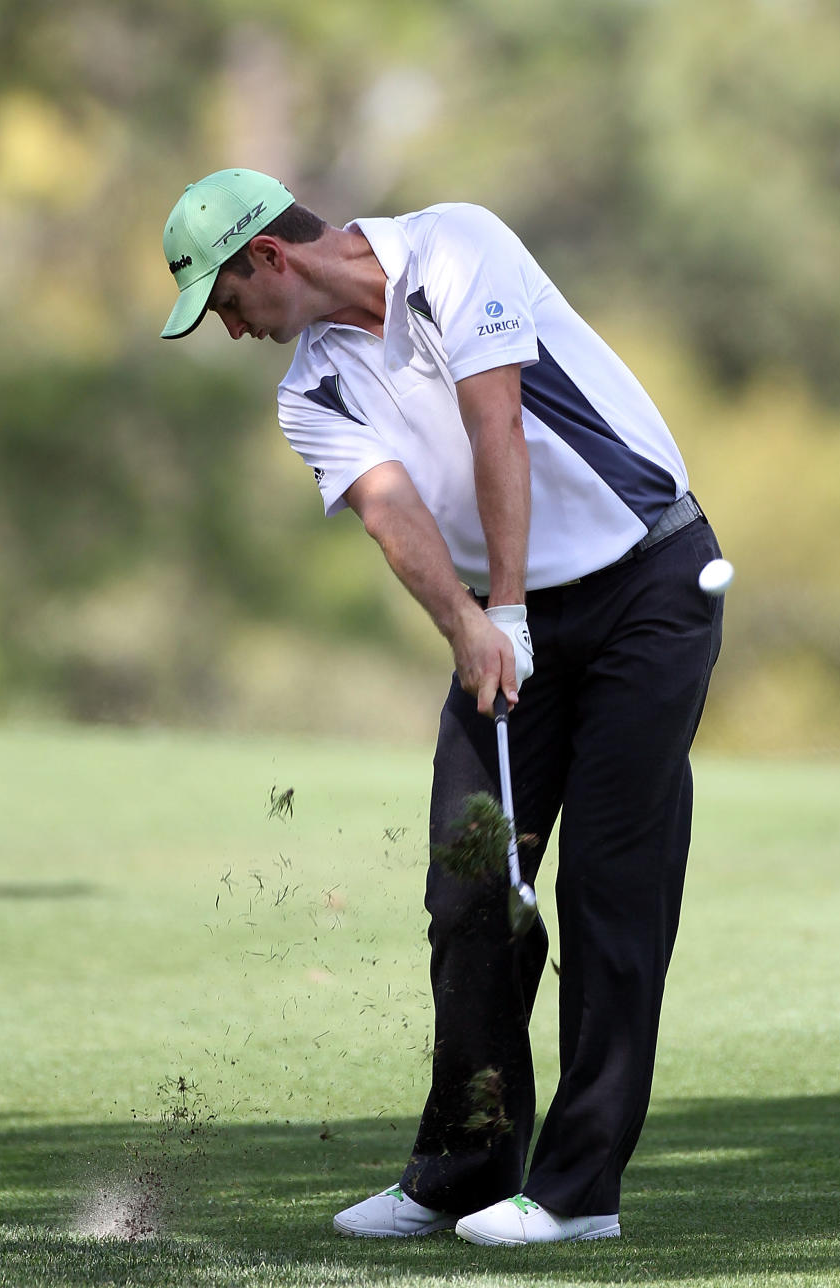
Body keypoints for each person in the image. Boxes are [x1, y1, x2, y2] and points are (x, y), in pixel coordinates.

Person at [161, 168, 724, 1247]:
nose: (233, 331)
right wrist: (475, 625)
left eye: (228, 304)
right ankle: (465, 1169)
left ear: (270, 257)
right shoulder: (309, 390)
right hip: (510, 620)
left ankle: (576, 1192)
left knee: (613, 889)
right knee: (470, 890)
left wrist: (500, 606)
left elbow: (495, 421)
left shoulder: (455, 246)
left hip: (648, 584)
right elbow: (392, 514)